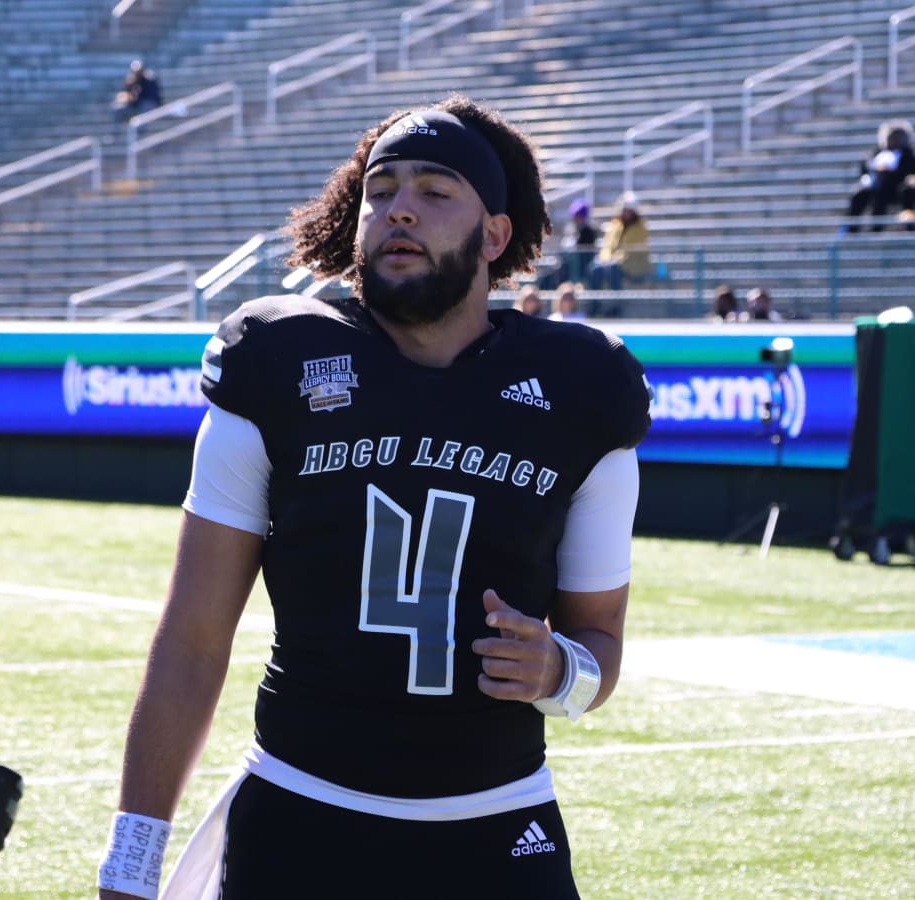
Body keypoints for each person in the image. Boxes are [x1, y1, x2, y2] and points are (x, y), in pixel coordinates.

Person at [97, 95, 651, 900]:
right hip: (300, 817)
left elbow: (599, 646)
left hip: (498, 828)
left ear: (495, 235)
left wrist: (555, 671)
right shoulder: (280, 360)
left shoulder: (581, 388)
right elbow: (193, 637)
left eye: (435, 192)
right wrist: (132, 858)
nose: (399, 210)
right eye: (382, 189)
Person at [844, 120, 915, 233]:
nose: (893, 140)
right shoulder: (878, 152)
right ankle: (852, 228)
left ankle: (878, 227)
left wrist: (889, 172)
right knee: (858, 195)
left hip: (895, 188)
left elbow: (910, 172)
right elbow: (865, 166)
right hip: (875, 185)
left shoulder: (907, 154)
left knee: (883, 194)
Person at [588, 191, 650, 293]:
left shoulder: (641, 227)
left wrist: (614, 259)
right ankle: (595, 304)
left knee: (613, 268)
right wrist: (606, 259)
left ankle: (616, 302)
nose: (626, 213)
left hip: (632, 265)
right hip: (613, 262)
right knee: (595, 268)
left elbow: (632, 250)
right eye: (624, 210)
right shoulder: (615, 225)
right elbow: (607, 246)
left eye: (629, 211)